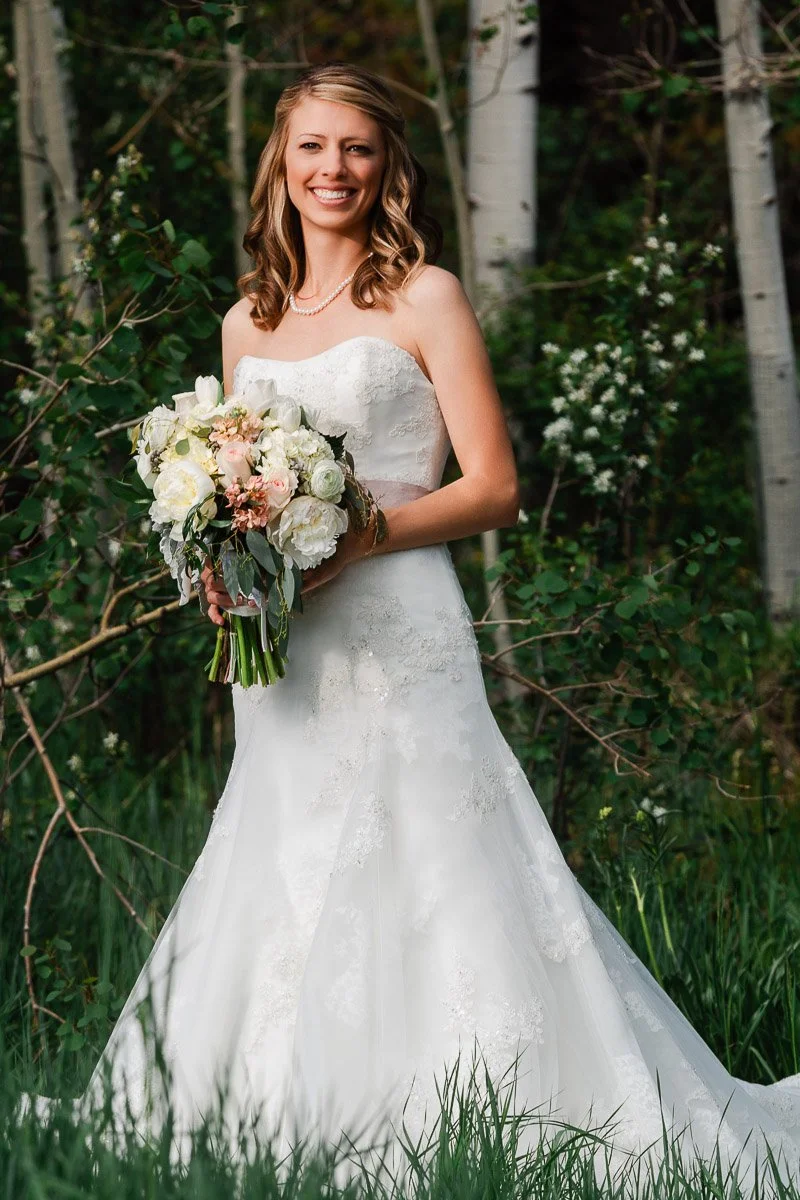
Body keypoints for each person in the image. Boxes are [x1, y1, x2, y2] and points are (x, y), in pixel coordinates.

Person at [19, 61, 800, 1192]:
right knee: (281, 852)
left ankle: (492, 1108)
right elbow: (232, 484)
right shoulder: (247, 321)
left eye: (357, 150)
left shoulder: (423, 295)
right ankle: (286, 1111)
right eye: (311, 149)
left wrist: (362, 538)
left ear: (384, 168)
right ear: (278, 166)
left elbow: (491, 487)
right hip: (286, 646)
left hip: (398, 622)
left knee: (438, 856)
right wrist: (225, 568)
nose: (332, 169)